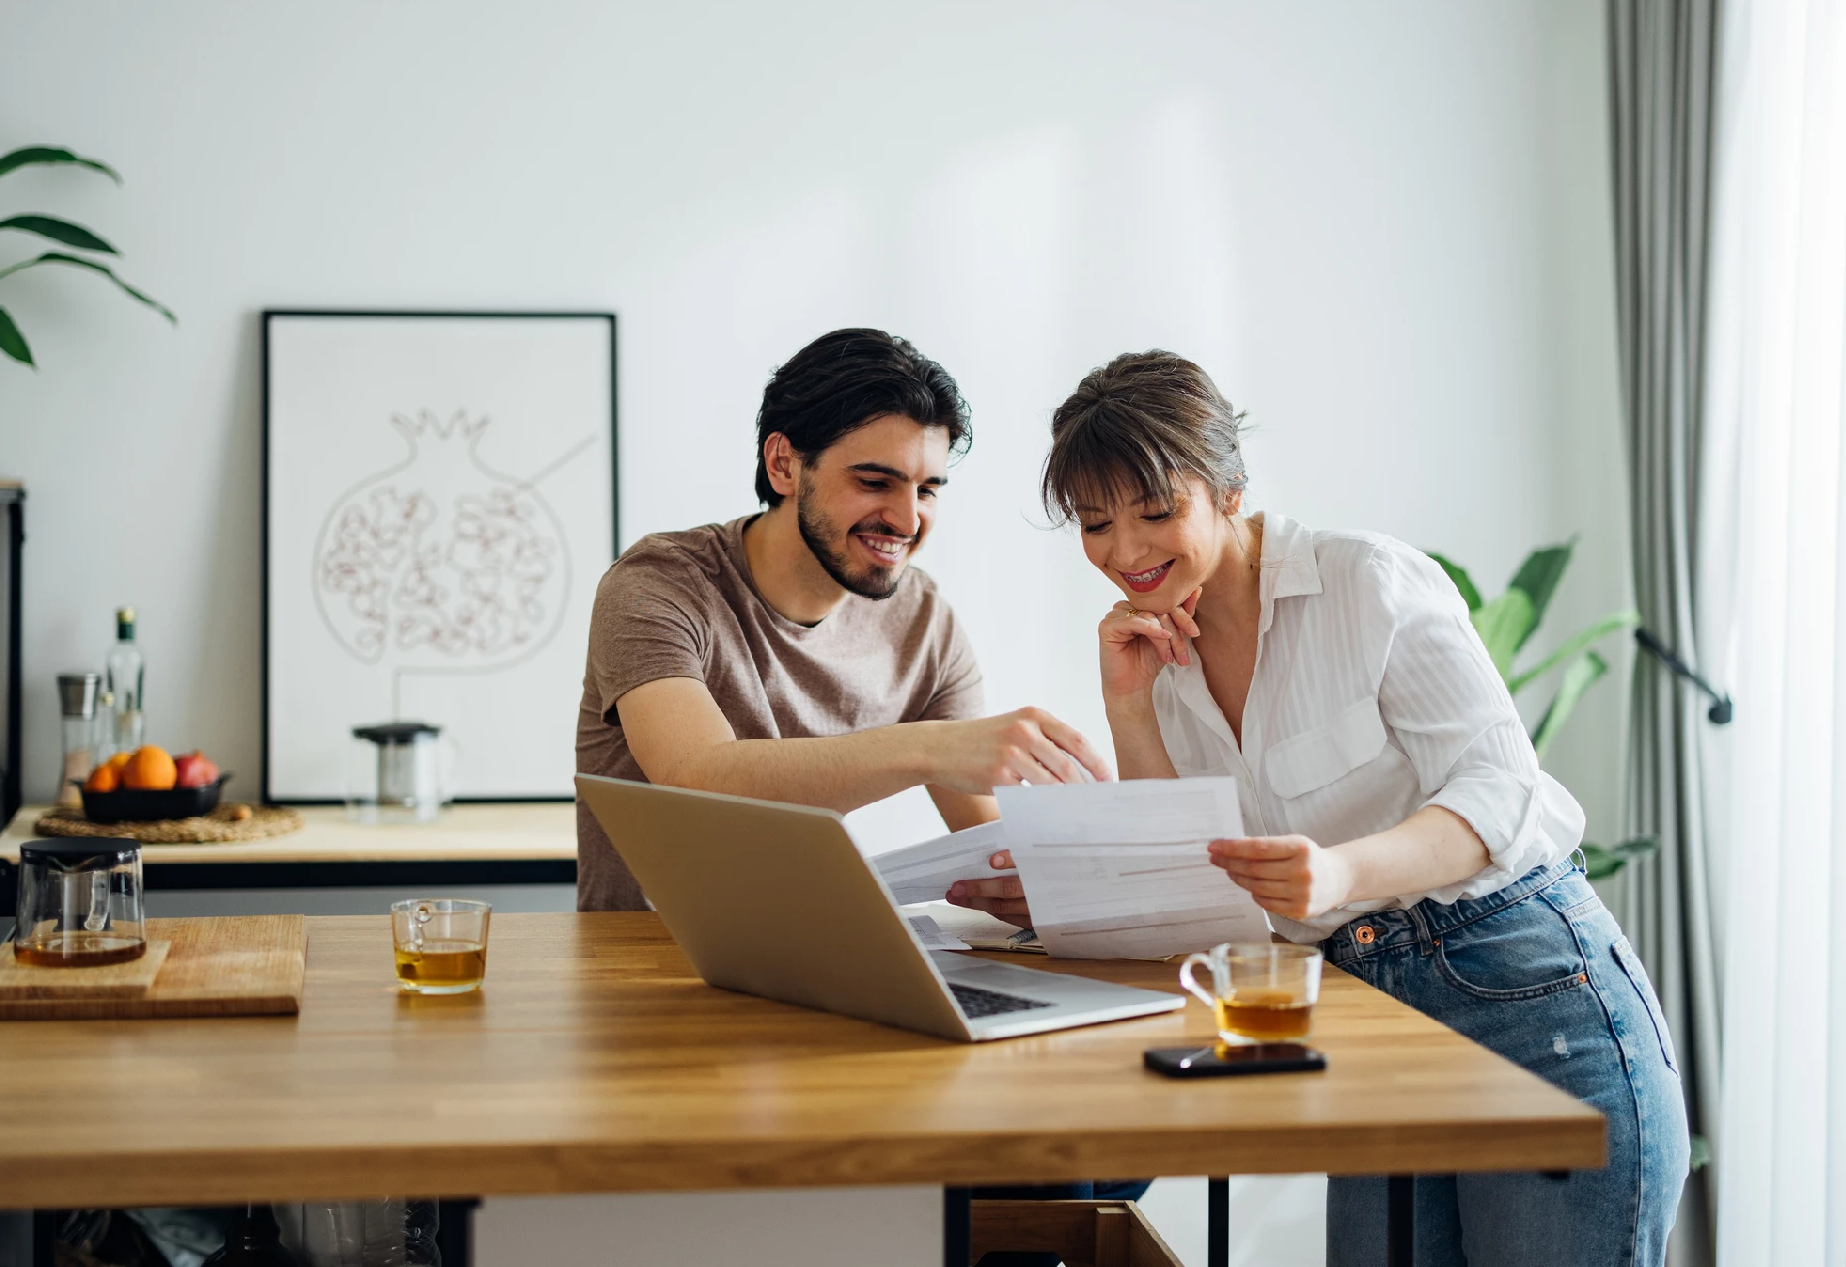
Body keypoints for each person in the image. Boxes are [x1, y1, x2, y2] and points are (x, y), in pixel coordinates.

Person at [950, 350, 1690, 1266]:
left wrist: (1342, 870)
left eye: (1155, 512)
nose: (1126, 553)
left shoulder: (1367, 581)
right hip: (1366, 1021)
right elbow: (1193, 877)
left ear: (1228, 488)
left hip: (1524, 992)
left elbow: (1502, 786)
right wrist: (1128, 708)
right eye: (1097, 525)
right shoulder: (1160, 656)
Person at [575, 327, 1112, 912]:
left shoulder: (924, 623)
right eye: (875, 482)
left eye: (928, 490)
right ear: (784, 464)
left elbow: (984, 838)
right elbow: (696, 775)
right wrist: (929, 749)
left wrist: (1033, 882)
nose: (908, 520)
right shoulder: (658, 585)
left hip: (822, 963)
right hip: (645, 973)